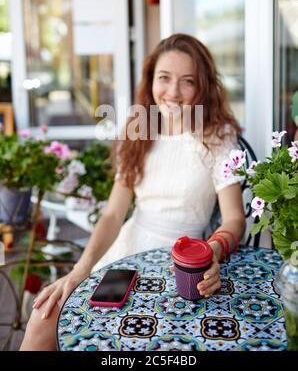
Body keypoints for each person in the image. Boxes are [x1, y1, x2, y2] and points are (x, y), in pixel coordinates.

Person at [20, 33, 246, 351]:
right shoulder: (139, 131)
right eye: (164, 78)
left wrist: (212, 253)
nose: (173, 92)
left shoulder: (218, 138)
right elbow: (113, 214)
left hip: (183, 269)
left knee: (129, 340)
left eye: (188, 81)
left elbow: (235, 219)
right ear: (151, 80)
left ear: (203, 86)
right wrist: (80, 271)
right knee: (46, 319)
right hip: (126, 260)